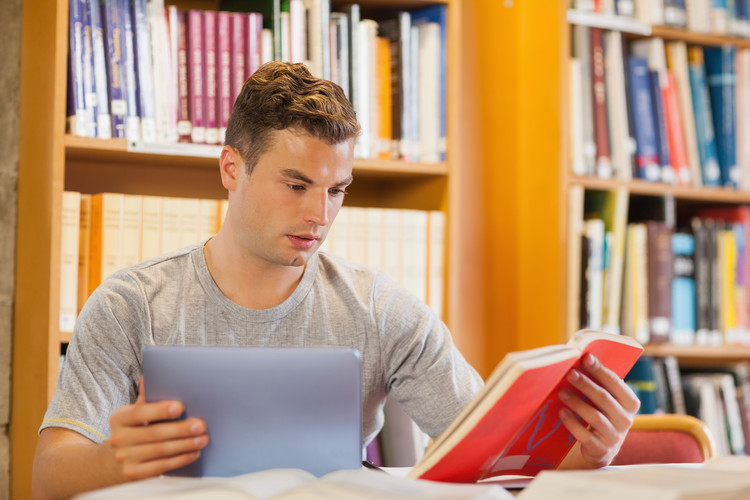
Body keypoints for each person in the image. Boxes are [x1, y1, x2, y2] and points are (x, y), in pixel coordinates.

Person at [31, 62, 640, 500]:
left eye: (337, 190)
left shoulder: (381, 309)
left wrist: (586, 456)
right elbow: (46, 477)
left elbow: (488, 461)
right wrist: (115, 462)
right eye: (296, 185)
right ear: (231, 169)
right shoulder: (131, 303)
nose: (320, 215)